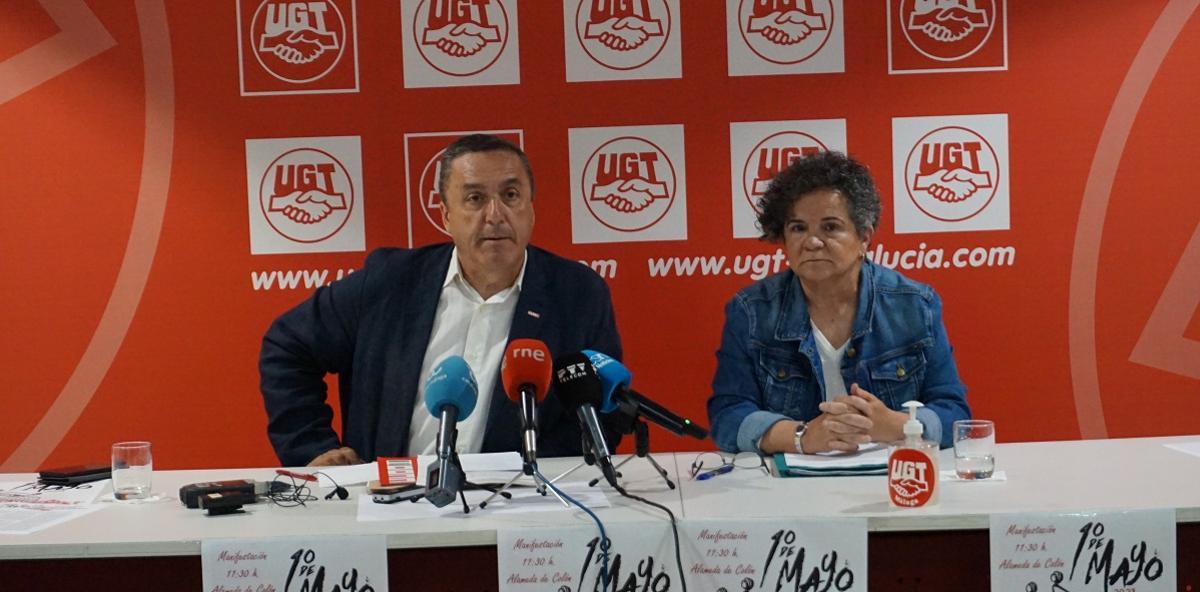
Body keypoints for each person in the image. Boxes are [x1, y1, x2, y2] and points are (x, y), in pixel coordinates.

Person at [260, 134, 622, 466]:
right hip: (390, 504)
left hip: (521, 511)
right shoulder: (390, 281)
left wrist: (537, 477)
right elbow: (287, 346)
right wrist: (313, 447)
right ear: (446, 216)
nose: (495, 215)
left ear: (530, 209)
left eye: (510, 196)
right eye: (475, 198)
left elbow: (602, 411)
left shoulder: (577, 294)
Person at [708, 151, 969, 455]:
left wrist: (897, 426)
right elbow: (727, 417)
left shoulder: (915, 306)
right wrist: (801, 437)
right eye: (798, 228)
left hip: (891, 481)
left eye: (830, 227)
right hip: (787, 490)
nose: (812, 242)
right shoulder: (751, 311)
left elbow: (955, 413)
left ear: (864, 237)